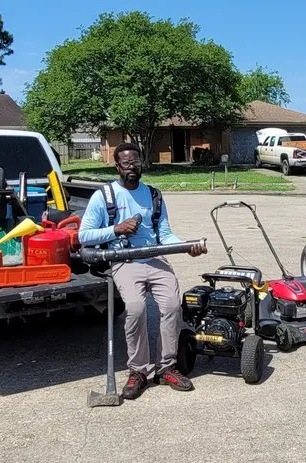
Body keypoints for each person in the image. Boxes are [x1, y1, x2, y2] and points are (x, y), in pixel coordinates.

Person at [78, 142, 208, 400]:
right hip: (124, 260)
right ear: (117, 166)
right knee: (136, 309)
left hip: (154, 257)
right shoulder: (103, 197)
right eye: (126, 163)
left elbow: (165, 234)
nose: (132, 168)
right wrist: (116, 229)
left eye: (136, 163)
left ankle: (167, 367)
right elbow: (84, 236)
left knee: (172, 306)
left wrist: (186, 246)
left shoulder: (154, 195)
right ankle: (138, 371)